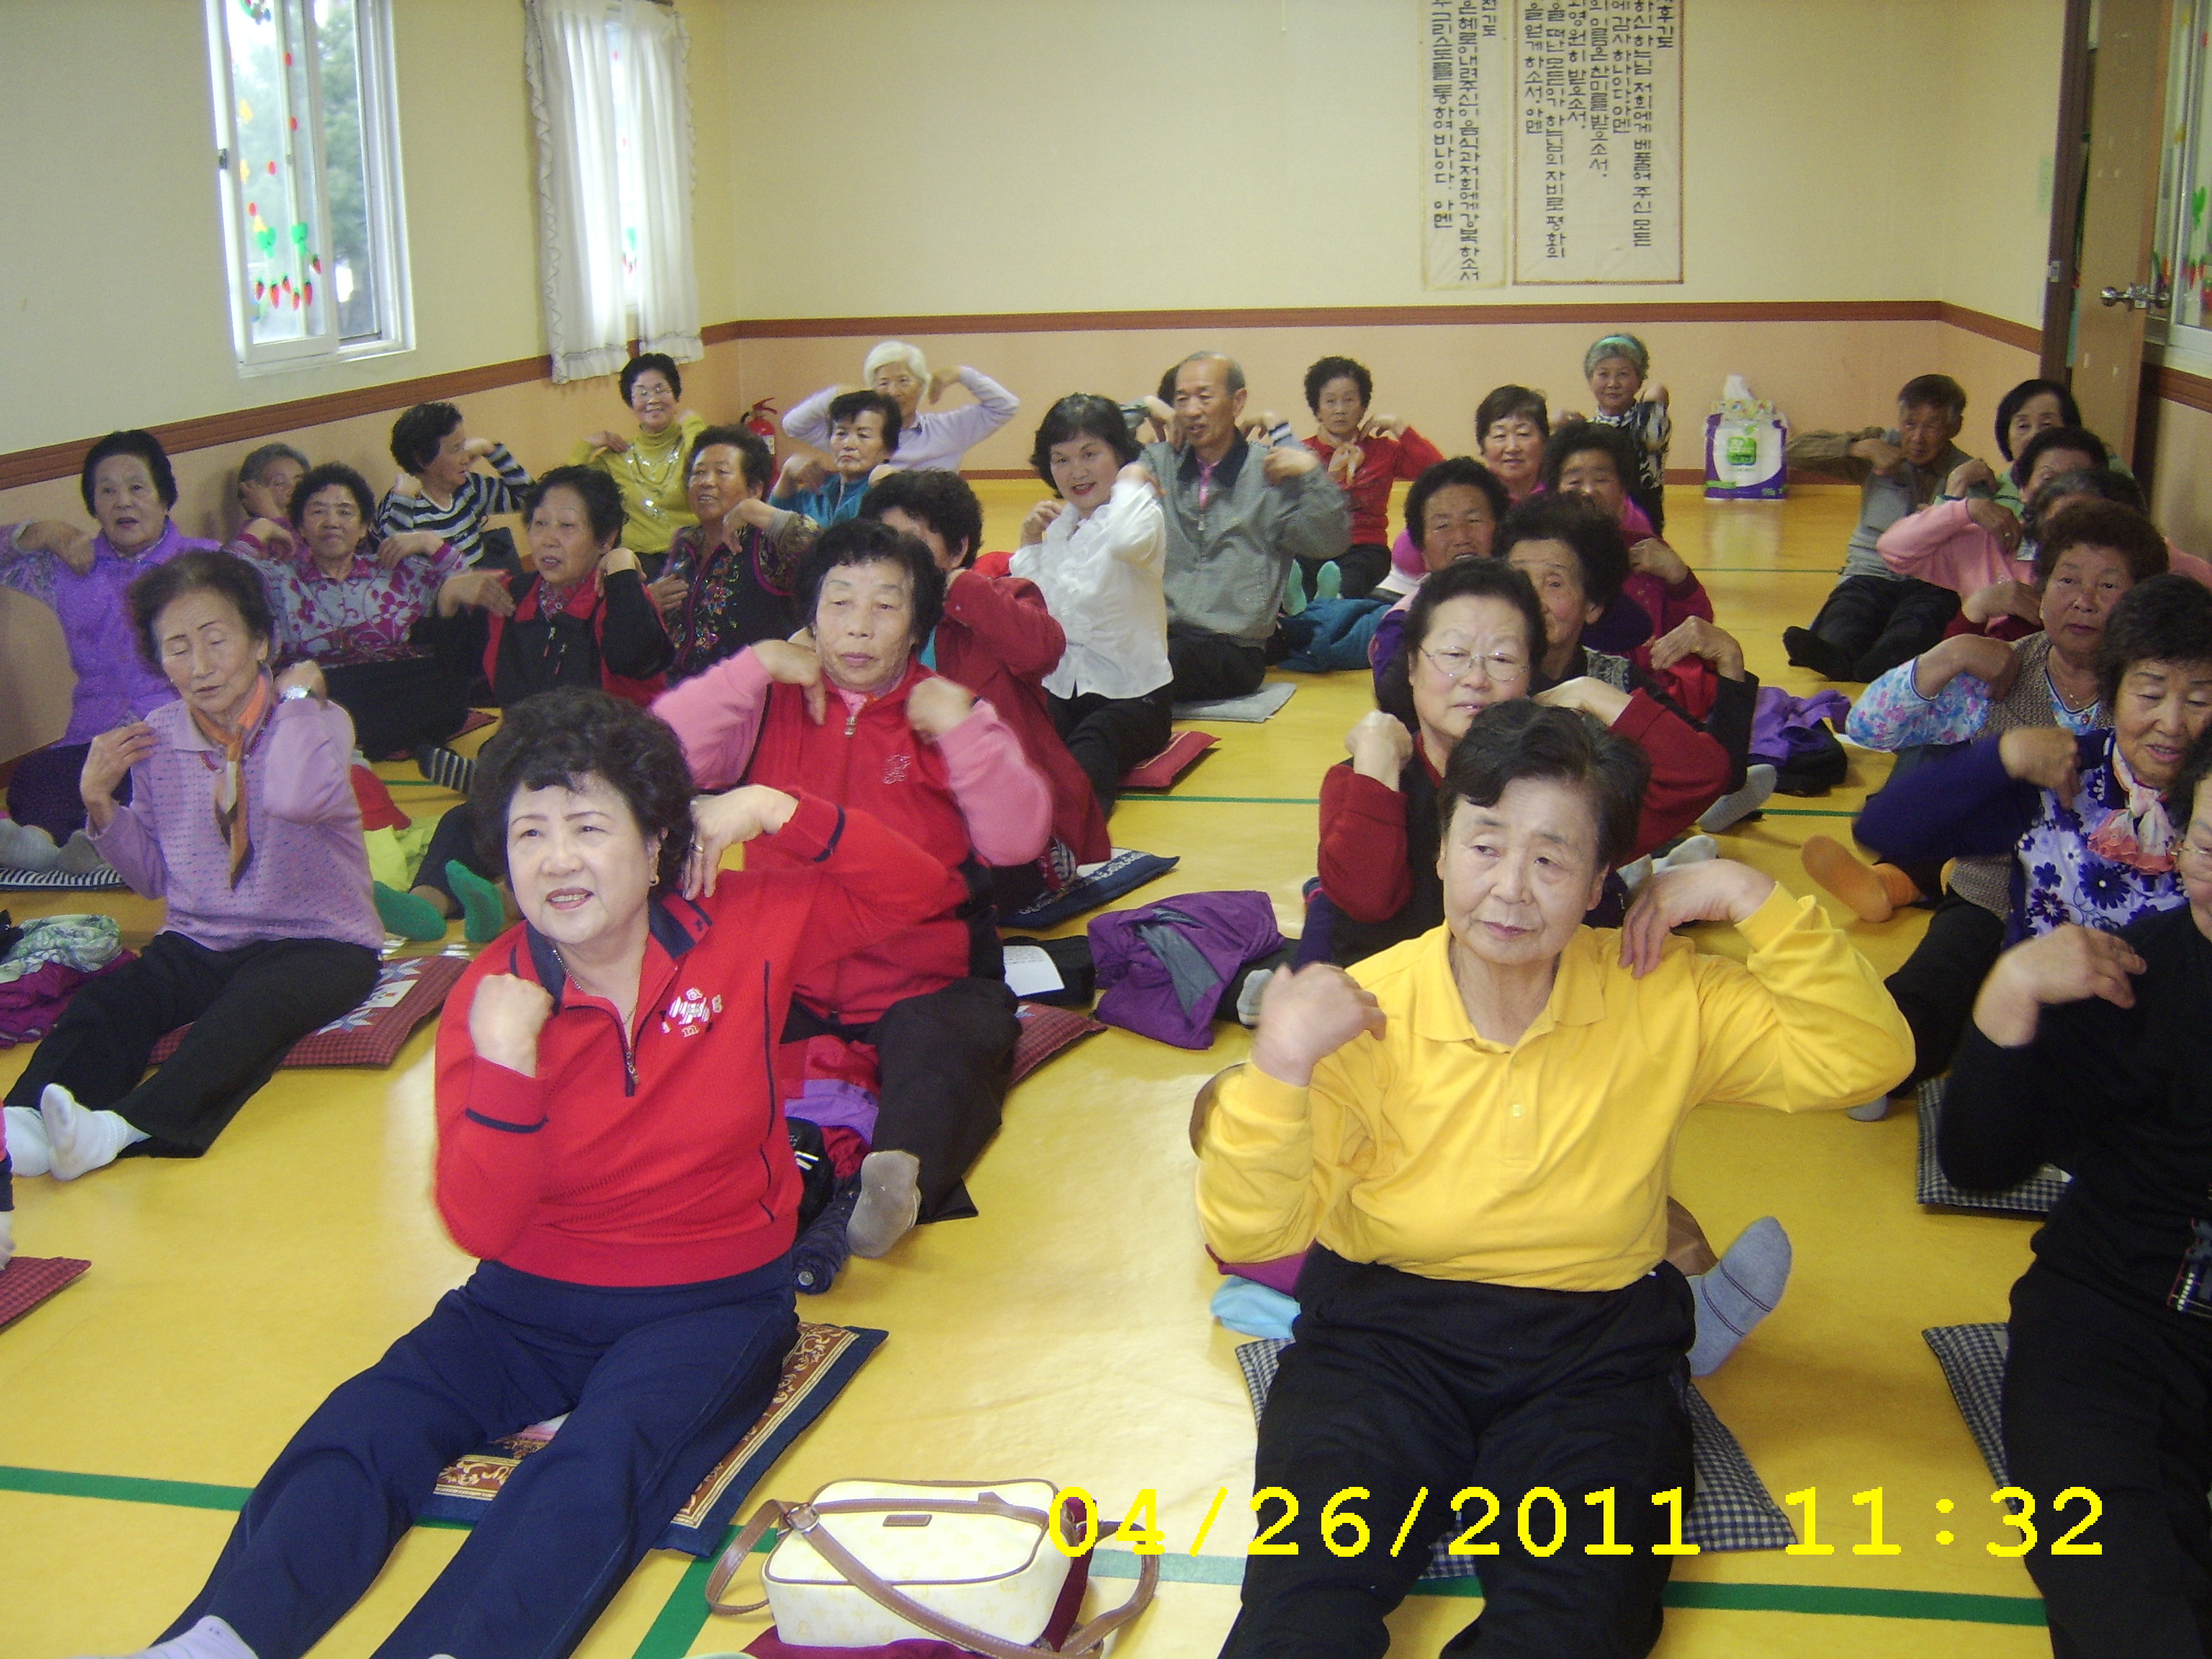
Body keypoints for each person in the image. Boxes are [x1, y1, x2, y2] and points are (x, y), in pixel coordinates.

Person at [95, 688, 967, 1659]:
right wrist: (509, 1066)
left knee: (598, 1468)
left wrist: (773, 808)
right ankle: (224, 1635)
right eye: (530, 833)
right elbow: (480, 1223)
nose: (557, 859)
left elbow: (921, 889)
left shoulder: (744, 927)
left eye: (589, 828)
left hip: (709, 1303)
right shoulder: (494, 991)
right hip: (521, 1303)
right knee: (370, 1419)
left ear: (657, 845)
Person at [1198, 701, 1912, 1658]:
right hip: (1381, 1340)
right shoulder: (1365, 1012)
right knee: (1302, 1601)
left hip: (1592, 1352)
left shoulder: (1658, 988)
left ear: (1598, 883)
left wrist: (1752, 898)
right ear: (1441, 851)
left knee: (1578, 1619)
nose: (1510, 890)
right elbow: (1252, 1234)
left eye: (1551, 858)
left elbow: (1868, 1059)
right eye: (1485, 846)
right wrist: (1279, 1069)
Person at [656, 519, 1052, 1260]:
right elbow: (664, 755)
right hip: (791, 976)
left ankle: (898, 1176)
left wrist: (964, 731)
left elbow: (1018, 839)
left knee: (942, 1051)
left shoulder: (946, 710)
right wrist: (751, 669)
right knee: (700, 1043)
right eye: (839, 603)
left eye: (885, 606)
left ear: (917, 626)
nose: (860, 627)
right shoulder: (770, 700)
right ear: (811, 617)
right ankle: (773, 1172)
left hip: (925, 978)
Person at [1937, 742, 2212, 1659]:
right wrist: (2011, 990)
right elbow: (1979, 1162)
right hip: (2109, 1324)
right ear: (2180, 844)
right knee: (2125, 1599)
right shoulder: (2133, 977)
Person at [0, 550, 382, 1184]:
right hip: (201, 937)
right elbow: (153, 879)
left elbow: (294, 798)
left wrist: (296, 695)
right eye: (176, 648)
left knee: (245, 1015)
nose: (199, 666)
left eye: (215, 640)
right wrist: (99, 802)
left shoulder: (317, 720)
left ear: (261, 641)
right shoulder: (157, 736)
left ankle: (123, 1129)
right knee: (115, 998)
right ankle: (25, 1121)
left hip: (320, 940)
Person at [1822, 502, 2170, 1116]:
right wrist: (1950, 654)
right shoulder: (1998, 671)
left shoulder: (2153, 696)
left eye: (2108, 585)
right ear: (2039, 590)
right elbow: (1869, 727)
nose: (2084, 601)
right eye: (2067, 579)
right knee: (1927, 997)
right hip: (1991, 891)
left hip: (2117, 910)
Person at [1320, 554, 1728, 966]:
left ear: (1531, 673)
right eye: (1454, 654)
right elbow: (1367, 902)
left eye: (1502, 659)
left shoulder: (1571, 788)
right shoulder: (1365, 781)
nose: (1476, 679)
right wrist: (1376, 769)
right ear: (1412, 665)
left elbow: (1702, 775)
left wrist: (1591, 693)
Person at [1856, 572, 2212, 953]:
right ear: (2114, 691)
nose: (2171, 724)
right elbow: (1883, 829)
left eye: (2199, 701)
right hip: (2042, 987)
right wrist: (2002, 756)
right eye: (2151, 695)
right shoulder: (2064, 775)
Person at [407, 467, 674, 939]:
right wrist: (448, 599)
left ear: (604, 536)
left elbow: (634, 655)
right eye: (539, 524)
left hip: (610, 768)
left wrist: (621, 567)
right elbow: (448, 678)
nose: (548, 539)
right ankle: (423, 904)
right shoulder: (509, 596)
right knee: (465, 820)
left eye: (567, 526)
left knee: (560, 827)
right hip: (530, 763)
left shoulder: (618, 597)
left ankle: (503, 901)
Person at [863, 466, 1110, 892]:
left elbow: (1043, 650)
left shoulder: (996, 600)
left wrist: (962, 587)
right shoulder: (872, 623)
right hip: (918, 807)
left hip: (1008, 818)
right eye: (886, 542)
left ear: (958, 548)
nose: (898, 557)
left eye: (914, 541)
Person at [0, 430, 221, 855]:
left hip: (179, 737)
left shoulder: (208, 563)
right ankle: (64, 847)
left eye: (137, 488)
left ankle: (94, 844)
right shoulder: (69, 566)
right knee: (35, 778)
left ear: (164, 497)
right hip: (94, 741)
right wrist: (43, 532)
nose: (123, 502)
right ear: (94, 505)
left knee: (170, 783)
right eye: (107, 491)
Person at [227, 461, 483, 761]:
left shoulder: (394, 571)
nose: (331, 522)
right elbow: (221, 581)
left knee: (447, 673)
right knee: (302, 696)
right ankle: (405, 745)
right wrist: (259, 529)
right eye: (318, 511)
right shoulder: (279, 578)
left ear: (363, 528)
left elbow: (470, 588)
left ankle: (361, 746)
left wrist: (429, 543)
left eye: (345, 512)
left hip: (396, 684)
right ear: (300, 528)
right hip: (328, 692)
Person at [1142, 353, 1350, 701]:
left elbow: (1331, 541)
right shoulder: (1160, 462)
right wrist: (1145, 406)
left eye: (1204, 397)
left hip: (1233, 648)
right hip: (1159, 633)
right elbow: (1079, 446)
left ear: (1237, 402)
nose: (1192, 410)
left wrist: (1312, 474)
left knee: (1147, 668)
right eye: (1182, 399)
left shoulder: (1270, 472)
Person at [1007, 394, 1173, 830]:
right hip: (1067, 689)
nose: (1076, 471)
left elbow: (1124, 541)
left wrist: (1133, 480)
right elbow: (1034, 607)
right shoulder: (1060, 527)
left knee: (1091, 746)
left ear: (1118, 454)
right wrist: (1030, 542)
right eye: (1061, 460)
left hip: (1134, 696)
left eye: (1090, 454)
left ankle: (1072, 839)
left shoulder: (1141, 517)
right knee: (1019, 742)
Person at [1782, 374, 1975, 682]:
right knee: (1849, 611)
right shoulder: (1879, 446)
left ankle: (1880, 664)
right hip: (1868, 573)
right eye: (1910, 424)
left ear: (1954, 427)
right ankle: (1839, 655)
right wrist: (1858, 447)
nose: (1917, 437)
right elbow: (1793, 450)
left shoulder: (1965, 472)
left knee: (1919, 621)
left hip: (1929, 581)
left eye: (1932, 427)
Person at [655, 425, 818, 683]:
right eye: (698, 473)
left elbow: (824, 550)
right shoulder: (685, 541)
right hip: (683, 689)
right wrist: (649, 600)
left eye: (721, 472)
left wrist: (757, 512)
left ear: (755, 489)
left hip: (755, 692)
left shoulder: (766, 543)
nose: (706, 482)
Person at [1539, 418, 1712, 654]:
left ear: (1623, 490)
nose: (1588, 491)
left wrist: (1679, 577)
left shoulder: (1648, 553)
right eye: (1575, 481)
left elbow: (1697, 633)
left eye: (1601, 480)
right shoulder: (1535, 556)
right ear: (1554, 492)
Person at [1298, 355, 1442, 599]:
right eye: (1330, 401)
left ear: (1363, 406)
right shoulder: (1302, 453)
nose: (1340, 410)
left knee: (1351, 582)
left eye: (1349, 400)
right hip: (1313, 545)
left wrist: (1399, 427)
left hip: (1365, 548)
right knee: (1289, 573)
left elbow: (1438, 473)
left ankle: (1331, 604)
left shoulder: (1382, 451)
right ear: (1317, 409)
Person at [781, 341, 1020, 472]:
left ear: (921, 385)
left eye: (903, 381)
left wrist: (960, 374)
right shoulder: (854, 436)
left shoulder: (948, 430)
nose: (893, 392)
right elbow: (793, 425)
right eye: (883, 383)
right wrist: (834, 393)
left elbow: (1006, 406)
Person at [572, 352, 709, 567]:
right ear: (630, 402)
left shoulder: (691, 443)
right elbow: (573, 488)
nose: (652, 400)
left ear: (675, 394)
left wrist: (693, 425)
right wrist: (587, 445)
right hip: (639, 562)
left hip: (694, 553)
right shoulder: (616, 457)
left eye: (660, 390)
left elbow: (705, 468)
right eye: (642, 393)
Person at [376, 401, 532, 570]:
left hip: (480, 583)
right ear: (422, 459)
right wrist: (403, 500)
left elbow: (531, 501)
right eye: (455, 449)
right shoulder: (402, 503)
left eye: (464, 446)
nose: (466, 458)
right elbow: (388, 564)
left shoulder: (469, 488)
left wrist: (490, 449)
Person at [1568, 331, 1671, 531]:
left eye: (1623, 374)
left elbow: (1657, 399)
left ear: (1639, 379)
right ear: (1590, 379)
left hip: (1643, 526)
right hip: (1593, 526)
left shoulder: (1651, 421)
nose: (1613, 384)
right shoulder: (1585, 429)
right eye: (1603, 374)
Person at [770, 390, 901, 526]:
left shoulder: (889, 494)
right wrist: (787, 474)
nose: (848, 444)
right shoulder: (818, 488)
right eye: (841, 433)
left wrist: (885, 486)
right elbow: (774, 526)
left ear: (889, 449)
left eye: (863, 436)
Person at [1475, 382, 1550, 503]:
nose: (1512, 448)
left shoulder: (1561, 492)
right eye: (1500, 436)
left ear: (1544, 442)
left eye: (1523, 434)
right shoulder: (1474, 497)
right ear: (1482, 445)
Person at [233, 444, 307, 539]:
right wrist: (273, 517)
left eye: (299, 482)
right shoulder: (254, 534)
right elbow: (293, 548)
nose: (293, 490)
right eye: (279, 483)